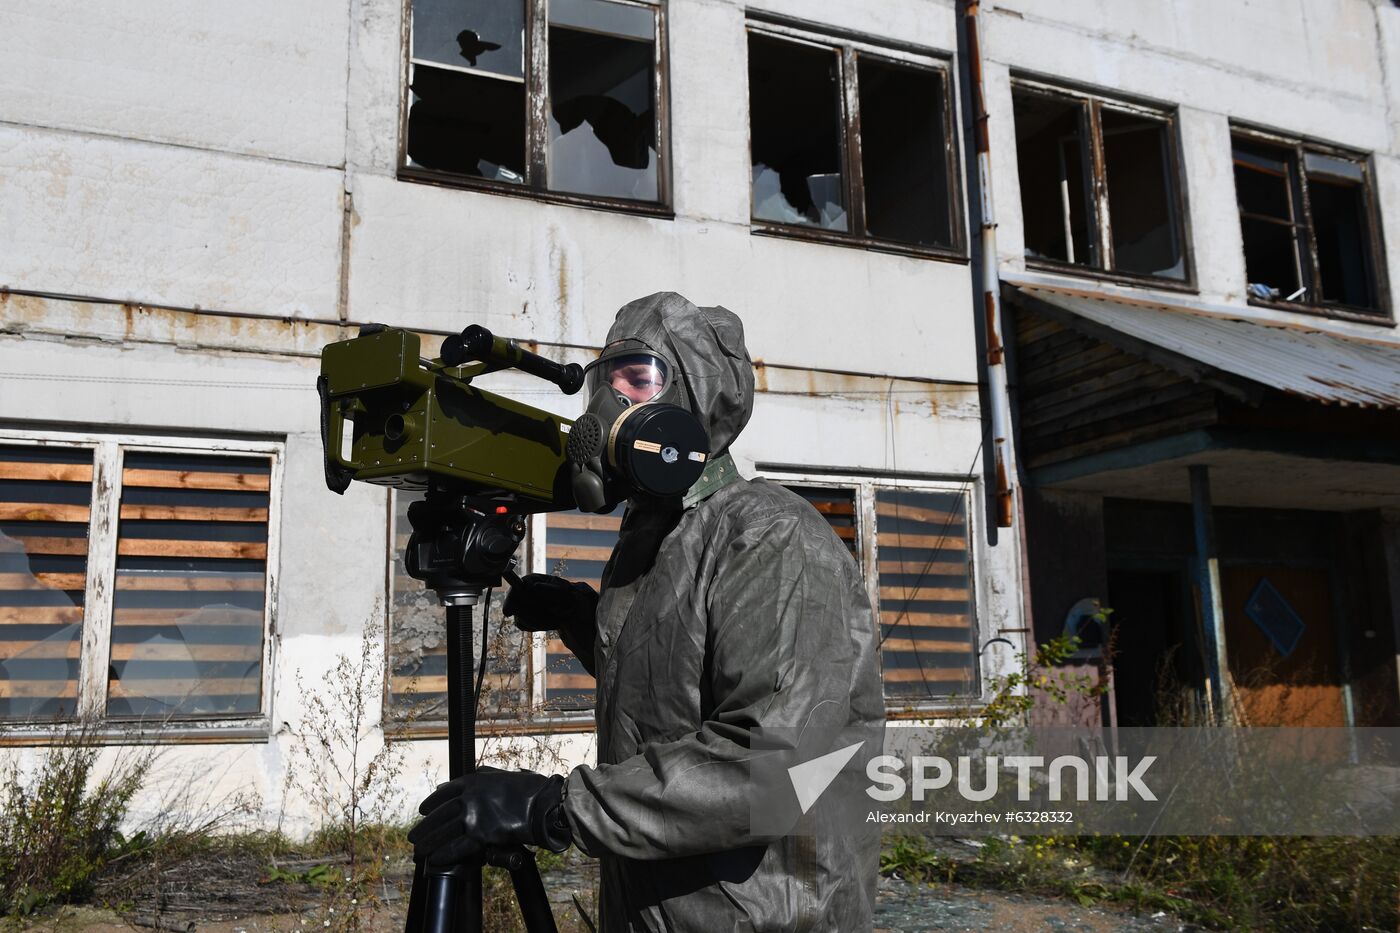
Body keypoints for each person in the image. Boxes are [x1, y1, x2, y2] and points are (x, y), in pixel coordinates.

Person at [408, 292, 885, 931]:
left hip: (759, 914)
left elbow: (775, 766)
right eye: (604, 381)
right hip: (658, 909)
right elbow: (672, 689)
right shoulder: (655, 540)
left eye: (637, 379)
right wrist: (580, 616)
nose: (609, 404)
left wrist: (556, 807)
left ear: (693, 399)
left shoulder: (768, 534)